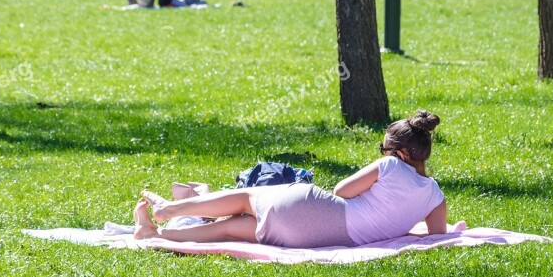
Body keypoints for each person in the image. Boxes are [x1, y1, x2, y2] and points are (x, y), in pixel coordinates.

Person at [132, 110, 448, 247]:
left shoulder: (390, 166)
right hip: (313, 239)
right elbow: (436, 235)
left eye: (384, 148)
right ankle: (157, 237)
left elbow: (342, 190)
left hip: (315, 210)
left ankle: (168, 212)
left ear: (400, 153)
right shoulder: (434, 194)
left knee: (245, 199)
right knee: (231, 228)